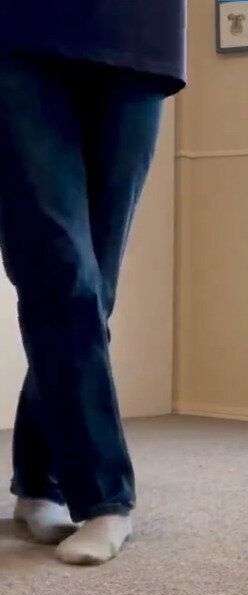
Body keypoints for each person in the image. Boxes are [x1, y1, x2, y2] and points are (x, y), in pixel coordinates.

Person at [0, 2, 186, 565]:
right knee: (60, 271)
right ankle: (106, 498)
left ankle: (40, 478)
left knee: (93, 293)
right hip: (15, 34)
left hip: (141, 38)